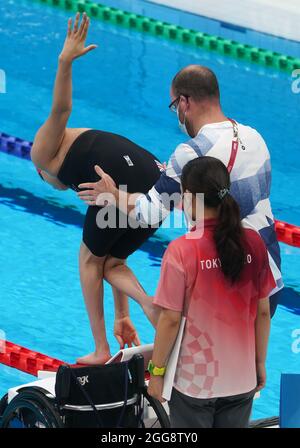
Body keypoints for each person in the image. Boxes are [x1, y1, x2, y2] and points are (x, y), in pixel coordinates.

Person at [78, 65, 283, 318]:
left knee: (192, 350)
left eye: (175, 106)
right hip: (268, 280)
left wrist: (112, 193)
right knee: (246, 357)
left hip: (223, 285)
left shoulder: (190, 153)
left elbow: (149, 213)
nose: (177, 114)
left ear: (185, 102)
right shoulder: (256, 138)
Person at [31, 13, 162, 365]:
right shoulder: (88, 147)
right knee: (110, 260)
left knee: (87, 260)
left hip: (122, 180)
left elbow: (61, 109)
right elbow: (112, 251)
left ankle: (101, 348)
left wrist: (64, 62)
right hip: (156, 182)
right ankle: (148, 306)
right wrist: (123, 314)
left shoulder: (42, 154)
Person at [147, 156, 275, 428]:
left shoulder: (182, 250)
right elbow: (263, 313)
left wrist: (156, 372)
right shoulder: (254, 242)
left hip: (196, 383)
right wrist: (259, 362)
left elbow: (169, 320)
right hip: (242, 379)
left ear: (190, 196)